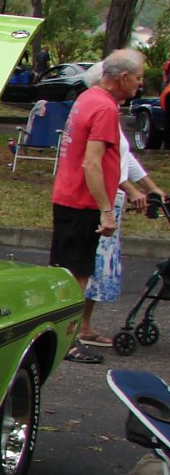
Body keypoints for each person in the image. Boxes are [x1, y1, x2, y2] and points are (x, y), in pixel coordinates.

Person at [49, 48, 146, 363]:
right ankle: (67, 340)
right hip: (82, 201)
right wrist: (106, 209)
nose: (140, 84)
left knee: (68, 270)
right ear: (123, 77)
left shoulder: (87, 98)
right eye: (139, 78)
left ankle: (63, 335)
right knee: (76, 275)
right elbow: (92, 164)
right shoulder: (104, 108)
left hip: (68, 195)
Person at [81, 124, 165, 346]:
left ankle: (84, 324)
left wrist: (151, 187)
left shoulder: (113, 118)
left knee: (100, 267)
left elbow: (125, 160)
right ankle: (79, 326)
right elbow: (107, 165)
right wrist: (133, 190)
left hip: (114, 198)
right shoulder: (103, 114)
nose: (139, 86)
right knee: (93, 266)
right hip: (104, 198)